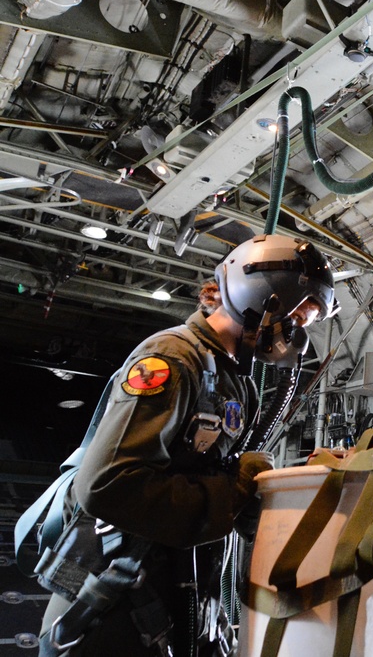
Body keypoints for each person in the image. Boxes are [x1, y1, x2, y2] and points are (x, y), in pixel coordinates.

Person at [36, 234, 338, 656]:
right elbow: (107, 485)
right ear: (261, 297)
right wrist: (233, 493)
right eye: (297, 318)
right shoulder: (174, 359)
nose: (296, 335)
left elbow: (206, 477)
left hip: (178, 594)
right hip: (113, 602)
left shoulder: (237, 381)